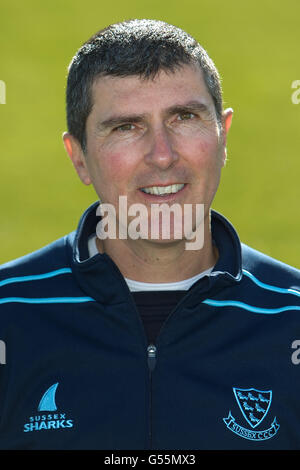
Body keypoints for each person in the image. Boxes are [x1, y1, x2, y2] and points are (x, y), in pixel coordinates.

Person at [1, 19, 300, 451]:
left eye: (184, 117)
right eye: (126, 126)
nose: (162, 155)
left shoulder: (289, 316)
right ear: (79, 157)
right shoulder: (10, 315)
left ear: (223, 136)